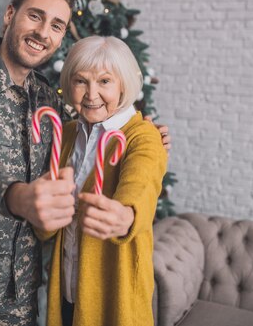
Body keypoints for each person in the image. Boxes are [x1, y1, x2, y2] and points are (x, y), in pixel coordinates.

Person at [0, 0, 170, 326]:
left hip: (19, 288)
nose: (43, 32)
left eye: (56, 25)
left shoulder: (48, 100)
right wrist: (18, 197)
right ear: (10, 15)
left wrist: (145, 135)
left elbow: (94, 130)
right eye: (35, 16)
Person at [38, 36, 168, 326]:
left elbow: (142, 183)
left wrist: (126, 215)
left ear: (123, 84)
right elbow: (46, 217)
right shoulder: (68, 133)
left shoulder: (143, 136)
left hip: (114, 294)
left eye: (105, 81)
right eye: (81, 81)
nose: (91, 94)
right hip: (67, 289)